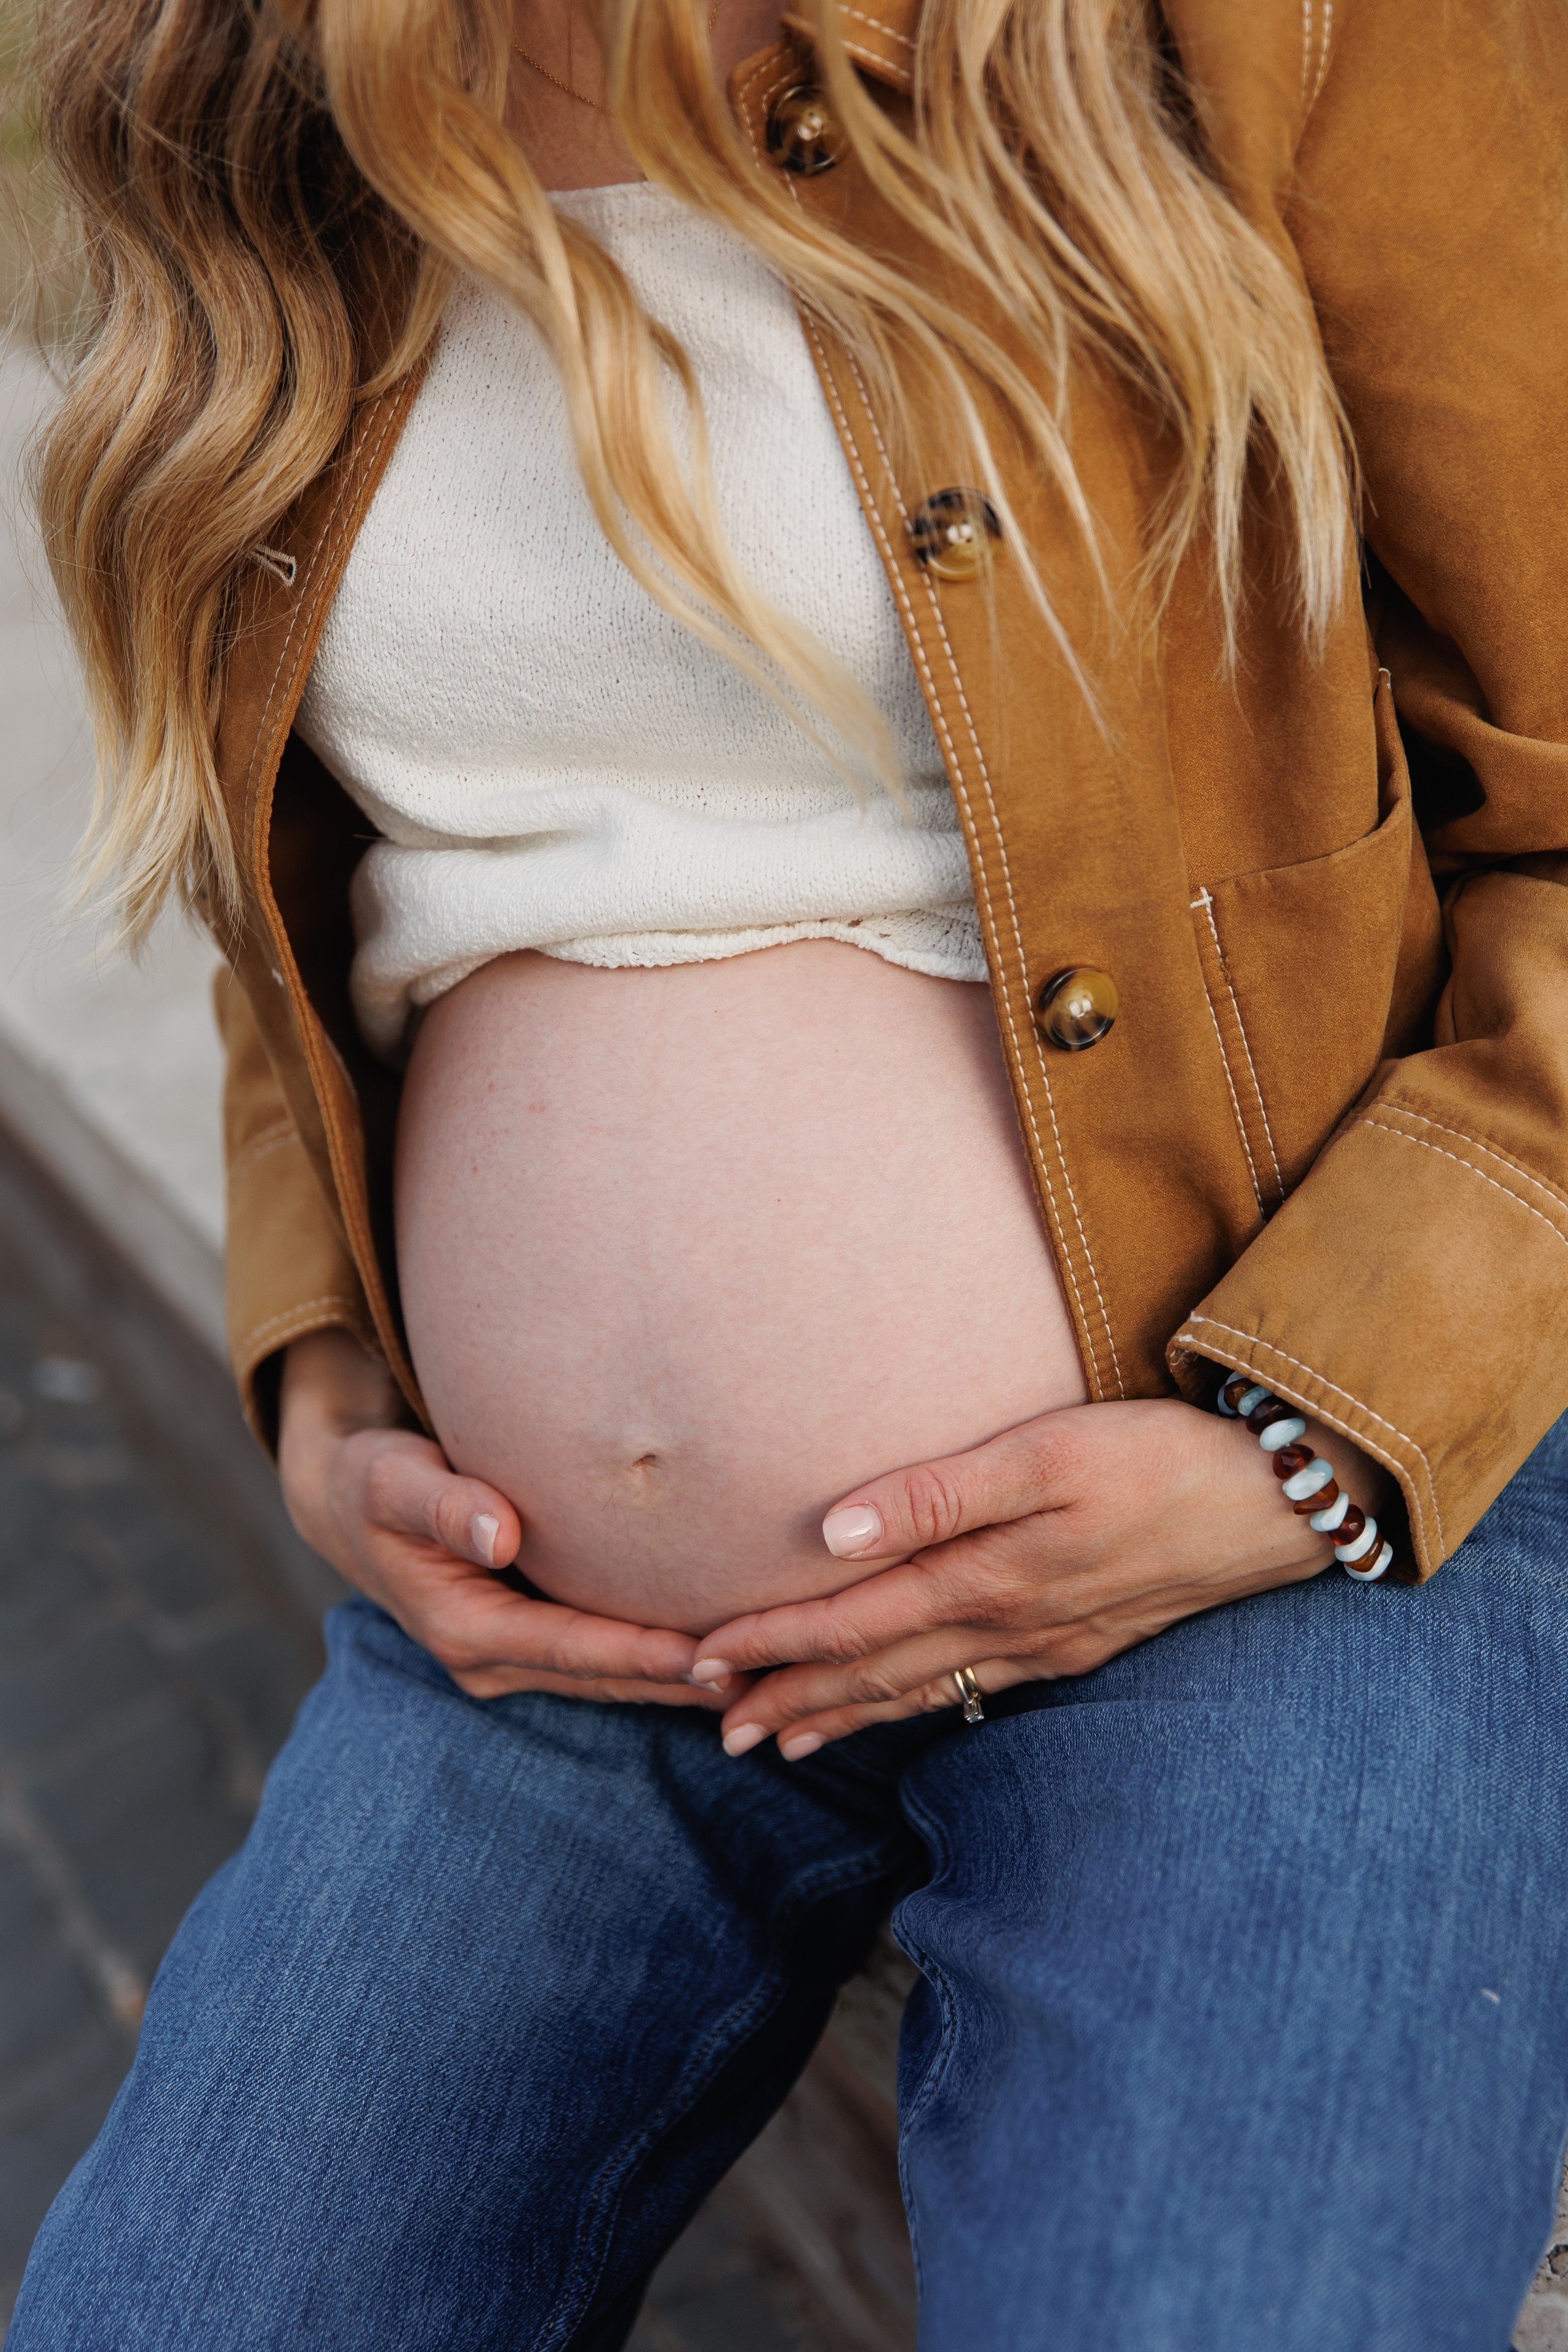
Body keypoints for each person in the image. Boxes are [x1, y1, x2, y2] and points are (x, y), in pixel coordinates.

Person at [11, 0, 1568, 2342]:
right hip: (559, 1637)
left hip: (1262, 1529)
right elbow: (297, 874)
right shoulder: (250, 82)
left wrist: (1315, 1448)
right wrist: (316, 1356)